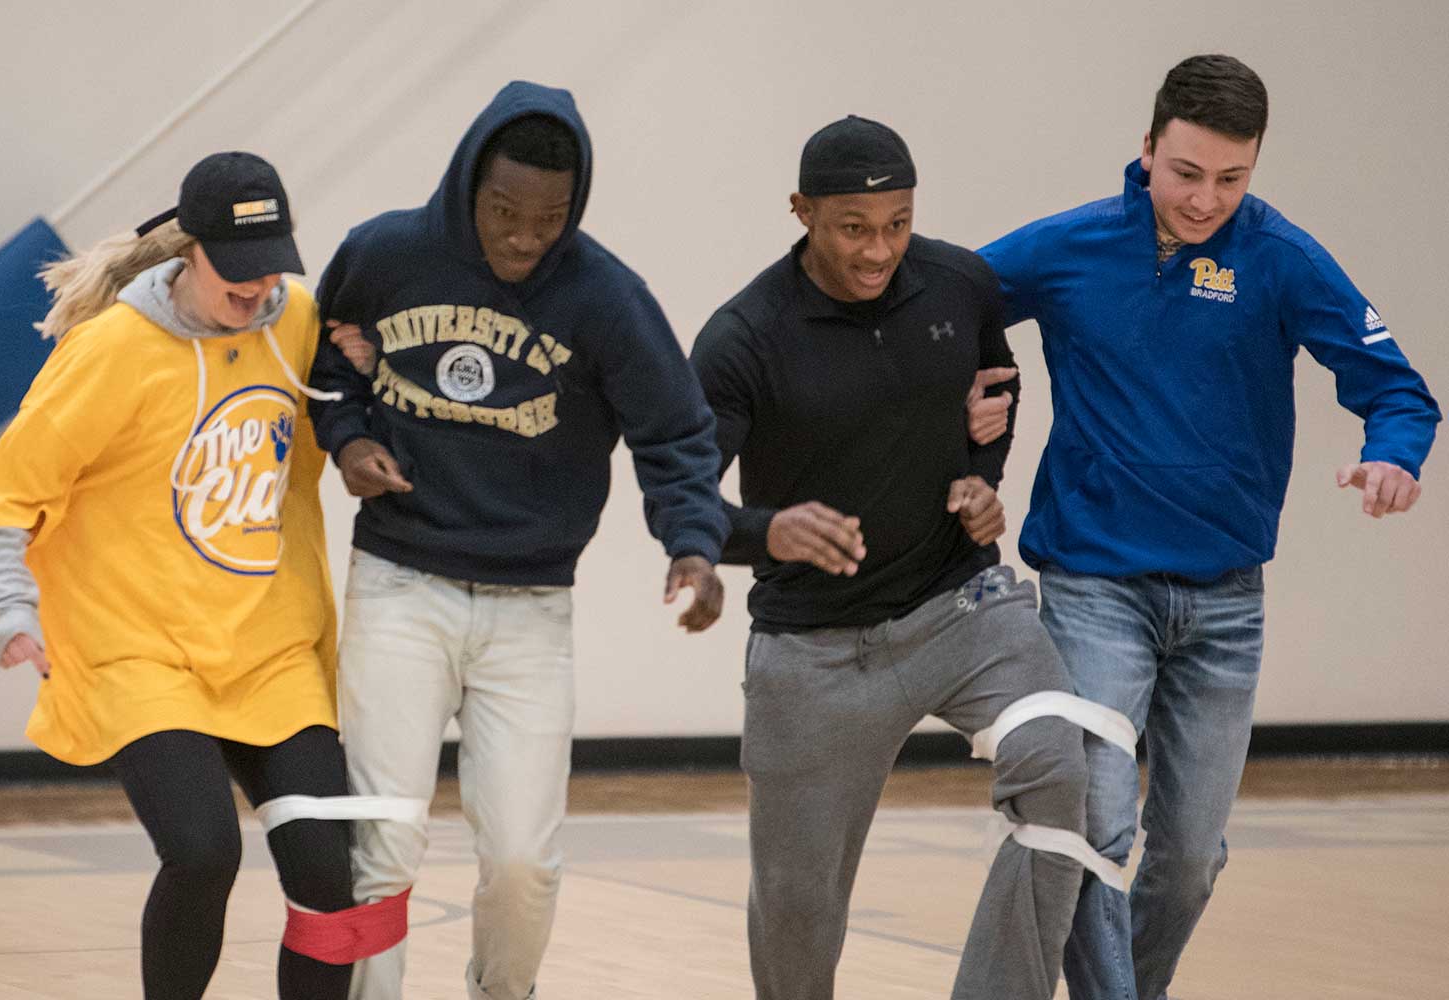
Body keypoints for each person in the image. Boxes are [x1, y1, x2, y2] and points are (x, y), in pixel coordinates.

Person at [971, 54, 1440, 1000]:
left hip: (1227, 607)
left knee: (1190, 859)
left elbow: (1397, 388)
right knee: (1093, 832)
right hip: (1095, 589)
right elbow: (943, 308)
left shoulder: (1282, 259)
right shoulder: (1069, 248)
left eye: (1232, 178)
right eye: (1186, 173)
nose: (1205, 199)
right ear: (1146, 149)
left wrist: (1393, 453)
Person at [689, 115, 1137, 1000]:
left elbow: (995, 386)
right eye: (854, 227)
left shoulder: (959, 283)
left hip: (962, 608)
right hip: (814, 650)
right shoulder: (742, 336)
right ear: (802, 212)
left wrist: (980, 477)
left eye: (897, 223)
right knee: (797, 908)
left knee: (1058, 770)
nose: (878, 249)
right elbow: (684, 495)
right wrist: (762, 531)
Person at [307, 80, 730, 1000]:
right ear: (467, 186)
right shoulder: (383, 254)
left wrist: (692, 545)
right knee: (383, 841)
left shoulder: (608, 296)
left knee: (524, 864)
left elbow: (675, 432)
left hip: (531, 606)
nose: (525, 236)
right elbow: (325, 370)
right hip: (398, 582)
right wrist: (348, 442)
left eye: (550, 218)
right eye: (505, 211)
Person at [0, 152, 389, 999]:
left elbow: (339, 402)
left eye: (272, 267)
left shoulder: (294, 319)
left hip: (271, 650)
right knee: (202, 852)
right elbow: (3, 496)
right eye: (235, 271)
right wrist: (9, 610)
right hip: (141, 652)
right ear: (188, 253)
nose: (257, 288)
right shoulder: (111, 350)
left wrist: (363, 367)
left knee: (330, 875)